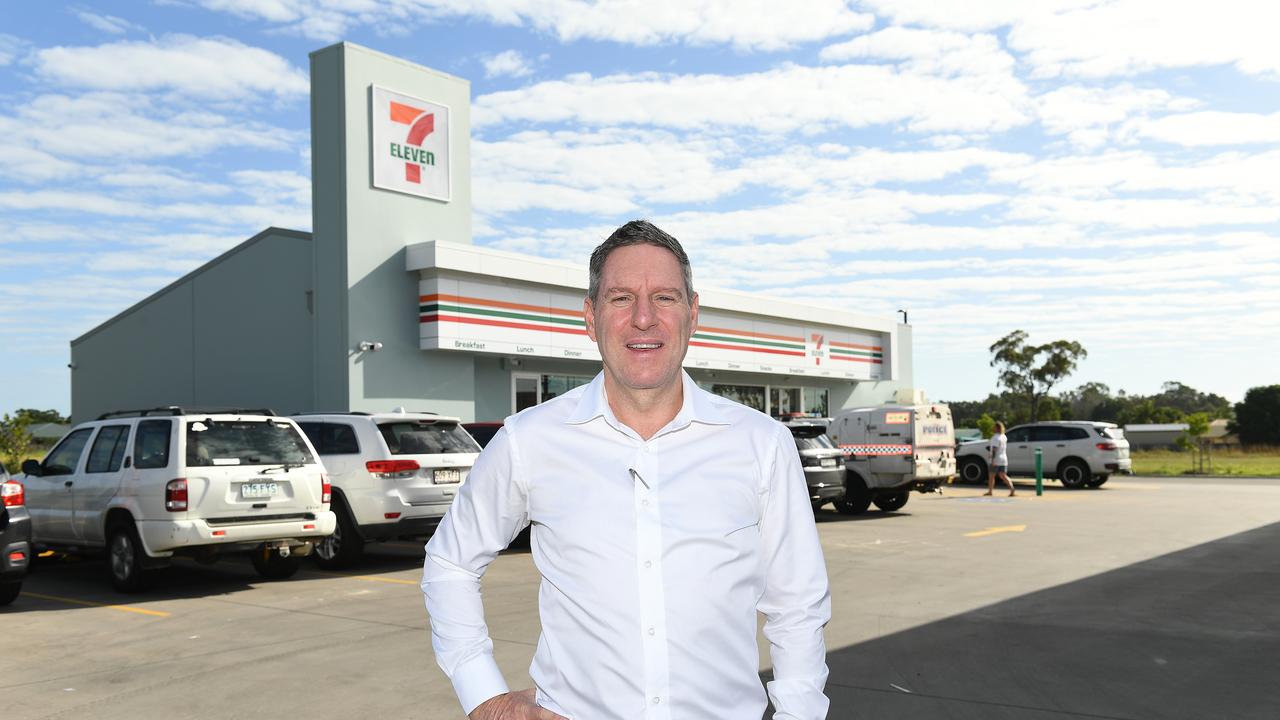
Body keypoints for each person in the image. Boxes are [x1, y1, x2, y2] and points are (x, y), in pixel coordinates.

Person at [422, 220, 832, 720]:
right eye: (621, 299)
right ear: (591, 318)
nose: (643, 318)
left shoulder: (761, 444)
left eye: (664, 297)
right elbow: (450, 563)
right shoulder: (529, 440)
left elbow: (797, 607)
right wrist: (484, 696)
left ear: (692, 313)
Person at [985, 421, 1015, 497]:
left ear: (997, 428)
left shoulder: (995, 437)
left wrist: (992, 460)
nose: (993, 428)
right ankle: (1012, 489)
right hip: (1003, 459)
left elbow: (995, 449)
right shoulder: (1004, 437)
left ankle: (990, 491)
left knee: (991, 476)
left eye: (994, 427)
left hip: (996, 459)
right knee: (1003, 475)